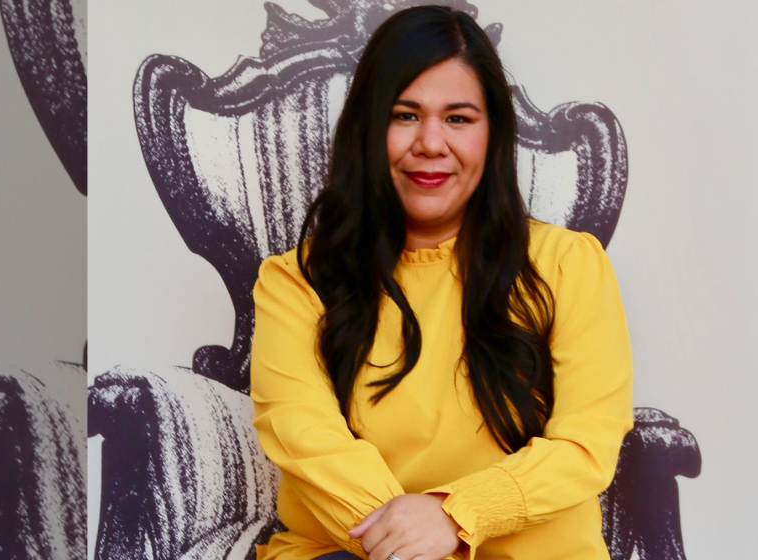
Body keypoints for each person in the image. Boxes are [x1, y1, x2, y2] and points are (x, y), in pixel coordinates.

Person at [250, 5, 633, 560]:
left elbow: (585, 445)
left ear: (493, 134)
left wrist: (458, 516)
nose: (430, 142)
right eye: (404, 115)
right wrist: (414, 545)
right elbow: (308, 442)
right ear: (367, 128)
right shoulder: (297, 282)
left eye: (458, 118)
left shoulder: (568, 265)